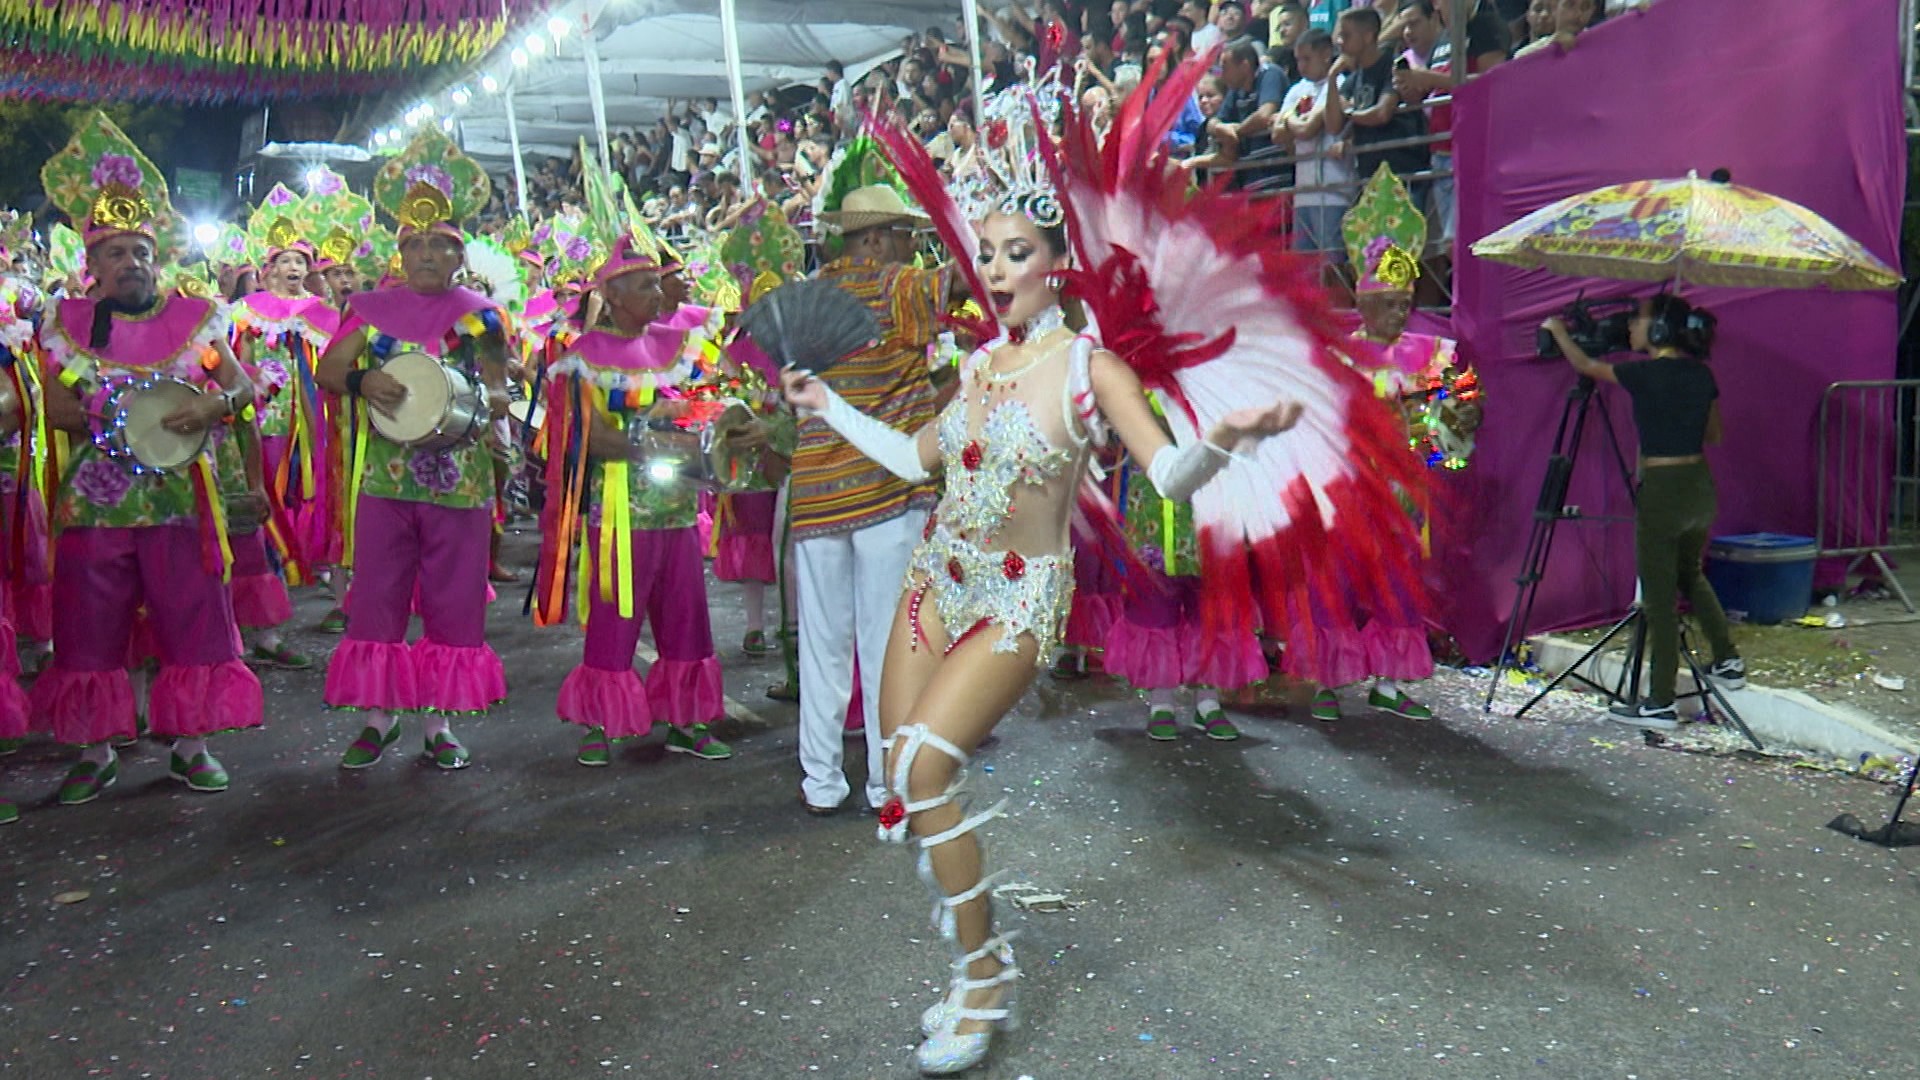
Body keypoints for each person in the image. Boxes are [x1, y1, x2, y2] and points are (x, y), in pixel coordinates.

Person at [793, 62, 1414, 1072]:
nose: (994, 269)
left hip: (1018, 600)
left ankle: (983, 978)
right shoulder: (978, 368)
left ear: (1057, 264)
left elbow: (1167, 475)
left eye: (1016, 253)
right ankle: (966, 931)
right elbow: (916, 460)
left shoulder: (1090, 368)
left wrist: (1233, 441)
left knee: (920, 769)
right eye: (985, 254)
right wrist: (832, 411)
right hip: (934, 587)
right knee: (898, 782)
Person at [31, 112, 264, 804]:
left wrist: (211, 409)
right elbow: (55, 407)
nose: (131, 263)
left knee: (191, 618)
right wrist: (113, 415)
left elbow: (239, 386)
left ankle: (190, 746)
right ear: (91, 263)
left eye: (140, 250)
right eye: (115, 253)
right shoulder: (70, 327)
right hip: (97, 503)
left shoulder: (195, 325)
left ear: (156, 257)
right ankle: (96, 750)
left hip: (179, 502)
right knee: (87, 624)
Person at [315, 128, 511, 771]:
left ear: (460, 252)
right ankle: (378, 717)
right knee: (378, 595)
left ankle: (439, 721)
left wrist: (490, 406)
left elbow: (497, 386)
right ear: (400, 250)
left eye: (441, 244)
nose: (428, 254)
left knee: (453, 600)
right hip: (387, 478)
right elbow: (327, 371)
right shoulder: (369, 308)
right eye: (415, 243)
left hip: (459, 479)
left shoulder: (482, 315)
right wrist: (363, 381)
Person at [536, 231, 734, 766]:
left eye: (655, 283)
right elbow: (593, 437)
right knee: (613, 617)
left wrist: (699, 419)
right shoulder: (584, 359)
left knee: (686, 615)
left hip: (676, 510)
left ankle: (686, 720)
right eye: (644, 285)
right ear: (615, 295)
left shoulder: (678, 345)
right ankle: (600, 722)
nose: (656, 293)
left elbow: (704, 407)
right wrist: (656, 429)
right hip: (619, 512)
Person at [791, 182, 948, 816]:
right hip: (884, 491)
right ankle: (887, 784)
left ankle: (822, 783)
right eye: (909, 239)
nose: (916, 252)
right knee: (888, 646)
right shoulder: (896, 285)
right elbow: (970, 285)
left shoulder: (806, 300)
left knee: (822, 648)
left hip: (817, 495)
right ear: (878, 239)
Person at [1543, 295, 1745, 730]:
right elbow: (1714, 433)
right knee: (1691, 573)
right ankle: (1728, 659)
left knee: (1659, 601)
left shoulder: (1643, 373)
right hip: (1699, 487)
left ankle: (1661, 702)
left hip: (1663, 490)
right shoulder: (1702, 374)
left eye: (1639, 320)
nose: (1631, 327)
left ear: (1658, 332)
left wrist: (1559, 333)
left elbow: (1586, 367)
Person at [1327, 6, 1429, 205]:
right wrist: (1332, 77)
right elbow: (1333, 125)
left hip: (1403, 176)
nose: (1340, 42)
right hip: (1370, 179)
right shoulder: (1352, 79)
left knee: (1404, 237)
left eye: (1346, 36)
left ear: (1367, 36)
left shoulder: (1394, 65)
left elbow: (1382, 113)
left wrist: (1349, 111)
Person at [1279, 28, 1354, 254]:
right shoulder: (1296, 89)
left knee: (1334, 265)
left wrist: (1288, 117)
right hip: (1303, 191)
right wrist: (1293, 122)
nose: (1301, 66)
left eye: (1306, 59)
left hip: (1334, 189)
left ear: (1325, 54)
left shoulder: (1339, 84)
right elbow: (1276, 134)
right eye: (1298, 60)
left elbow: (1306, 129)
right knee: (1304, 270)